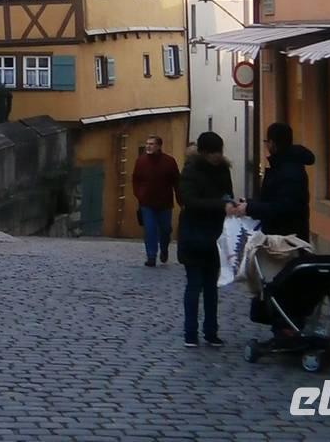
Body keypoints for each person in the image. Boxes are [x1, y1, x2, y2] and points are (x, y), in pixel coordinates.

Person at [176, 129, 233, 349]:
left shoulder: (223, 171)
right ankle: (190, 332)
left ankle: (211, 331)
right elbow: (189, 201)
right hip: (193, 234)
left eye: (218, 152)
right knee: (194, 285)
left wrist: (231, 203)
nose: (216, 156)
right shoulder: (190, 171)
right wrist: (221, 204)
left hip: (215, 236)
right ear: (203, 153)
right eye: (212, 152)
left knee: (211, 287)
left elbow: (227, 193)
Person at [241, 122, 314, 239]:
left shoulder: (288, 169)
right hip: (282, 236)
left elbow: (283, 207)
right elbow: (272, 198)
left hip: (286, 241)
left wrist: (249, 208)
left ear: (272, 143)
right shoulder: (284, 165)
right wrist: (249, 203)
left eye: (266, 142)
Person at [132, 134, 181, 266]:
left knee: (165, 229)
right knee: (150, 229)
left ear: (159, 146)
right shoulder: (141, 161)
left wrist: (180, 198)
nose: (148, 146)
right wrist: (139, 194)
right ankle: (151, 256)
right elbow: (136, 180)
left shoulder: (169, 161)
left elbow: (176, 181)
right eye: (147, 143)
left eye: (152, 144)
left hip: (164, 202)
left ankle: (164, 248)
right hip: (146, 202)